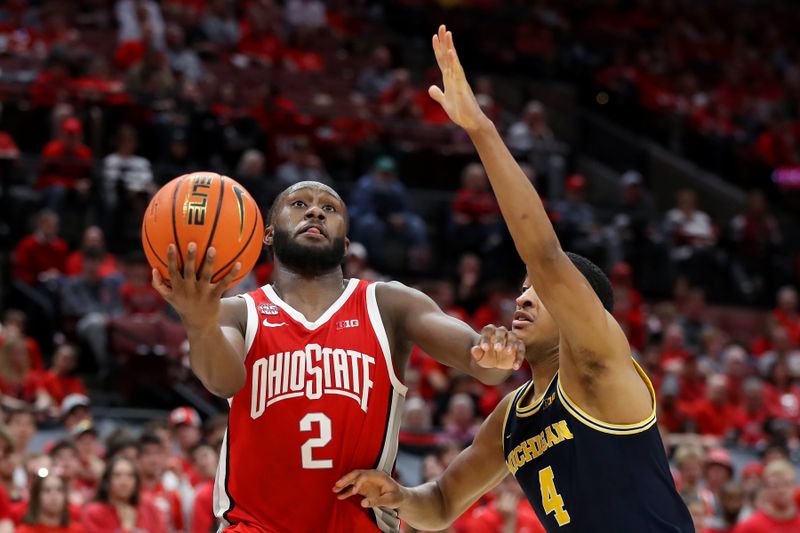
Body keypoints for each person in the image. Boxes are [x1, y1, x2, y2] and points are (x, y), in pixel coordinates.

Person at [333, 25, 693, 533]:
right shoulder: (511, 416)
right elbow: (438, 505)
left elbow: (544, 255)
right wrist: (396, 494)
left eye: (538, 290)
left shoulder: (600, 364)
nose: (524, 296)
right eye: (522, 287)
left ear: (579, 305)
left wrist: (480, 128)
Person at [151, 177, 525, 529]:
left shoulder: (389, 304)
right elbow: (223, 381)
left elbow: (482, 364)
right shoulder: (239, 312)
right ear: (267, 234)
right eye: (299, 204)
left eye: (329, 209)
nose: (315, 212)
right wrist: (199, 322)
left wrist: (492, 353)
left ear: (345, 244)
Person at [81, 456, 166, 533]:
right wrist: (127, 528)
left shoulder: (150, 508)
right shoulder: (94, 513)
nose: (124, 482)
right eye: (117, 475)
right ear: (107, 480)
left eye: (130, 476)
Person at [733, 459, 800, 533]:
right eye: (775, 485)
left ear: (795, 487)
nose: (781, 490)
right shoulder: (750, 526)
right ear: (766, 490)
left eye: (786, 484)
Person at [18, 473, 85, 533]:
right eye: (47, 490)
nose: (54, 495)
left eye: (59, 490)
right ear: (37, 496)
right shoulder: (24, 531)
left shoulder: (77, 530)